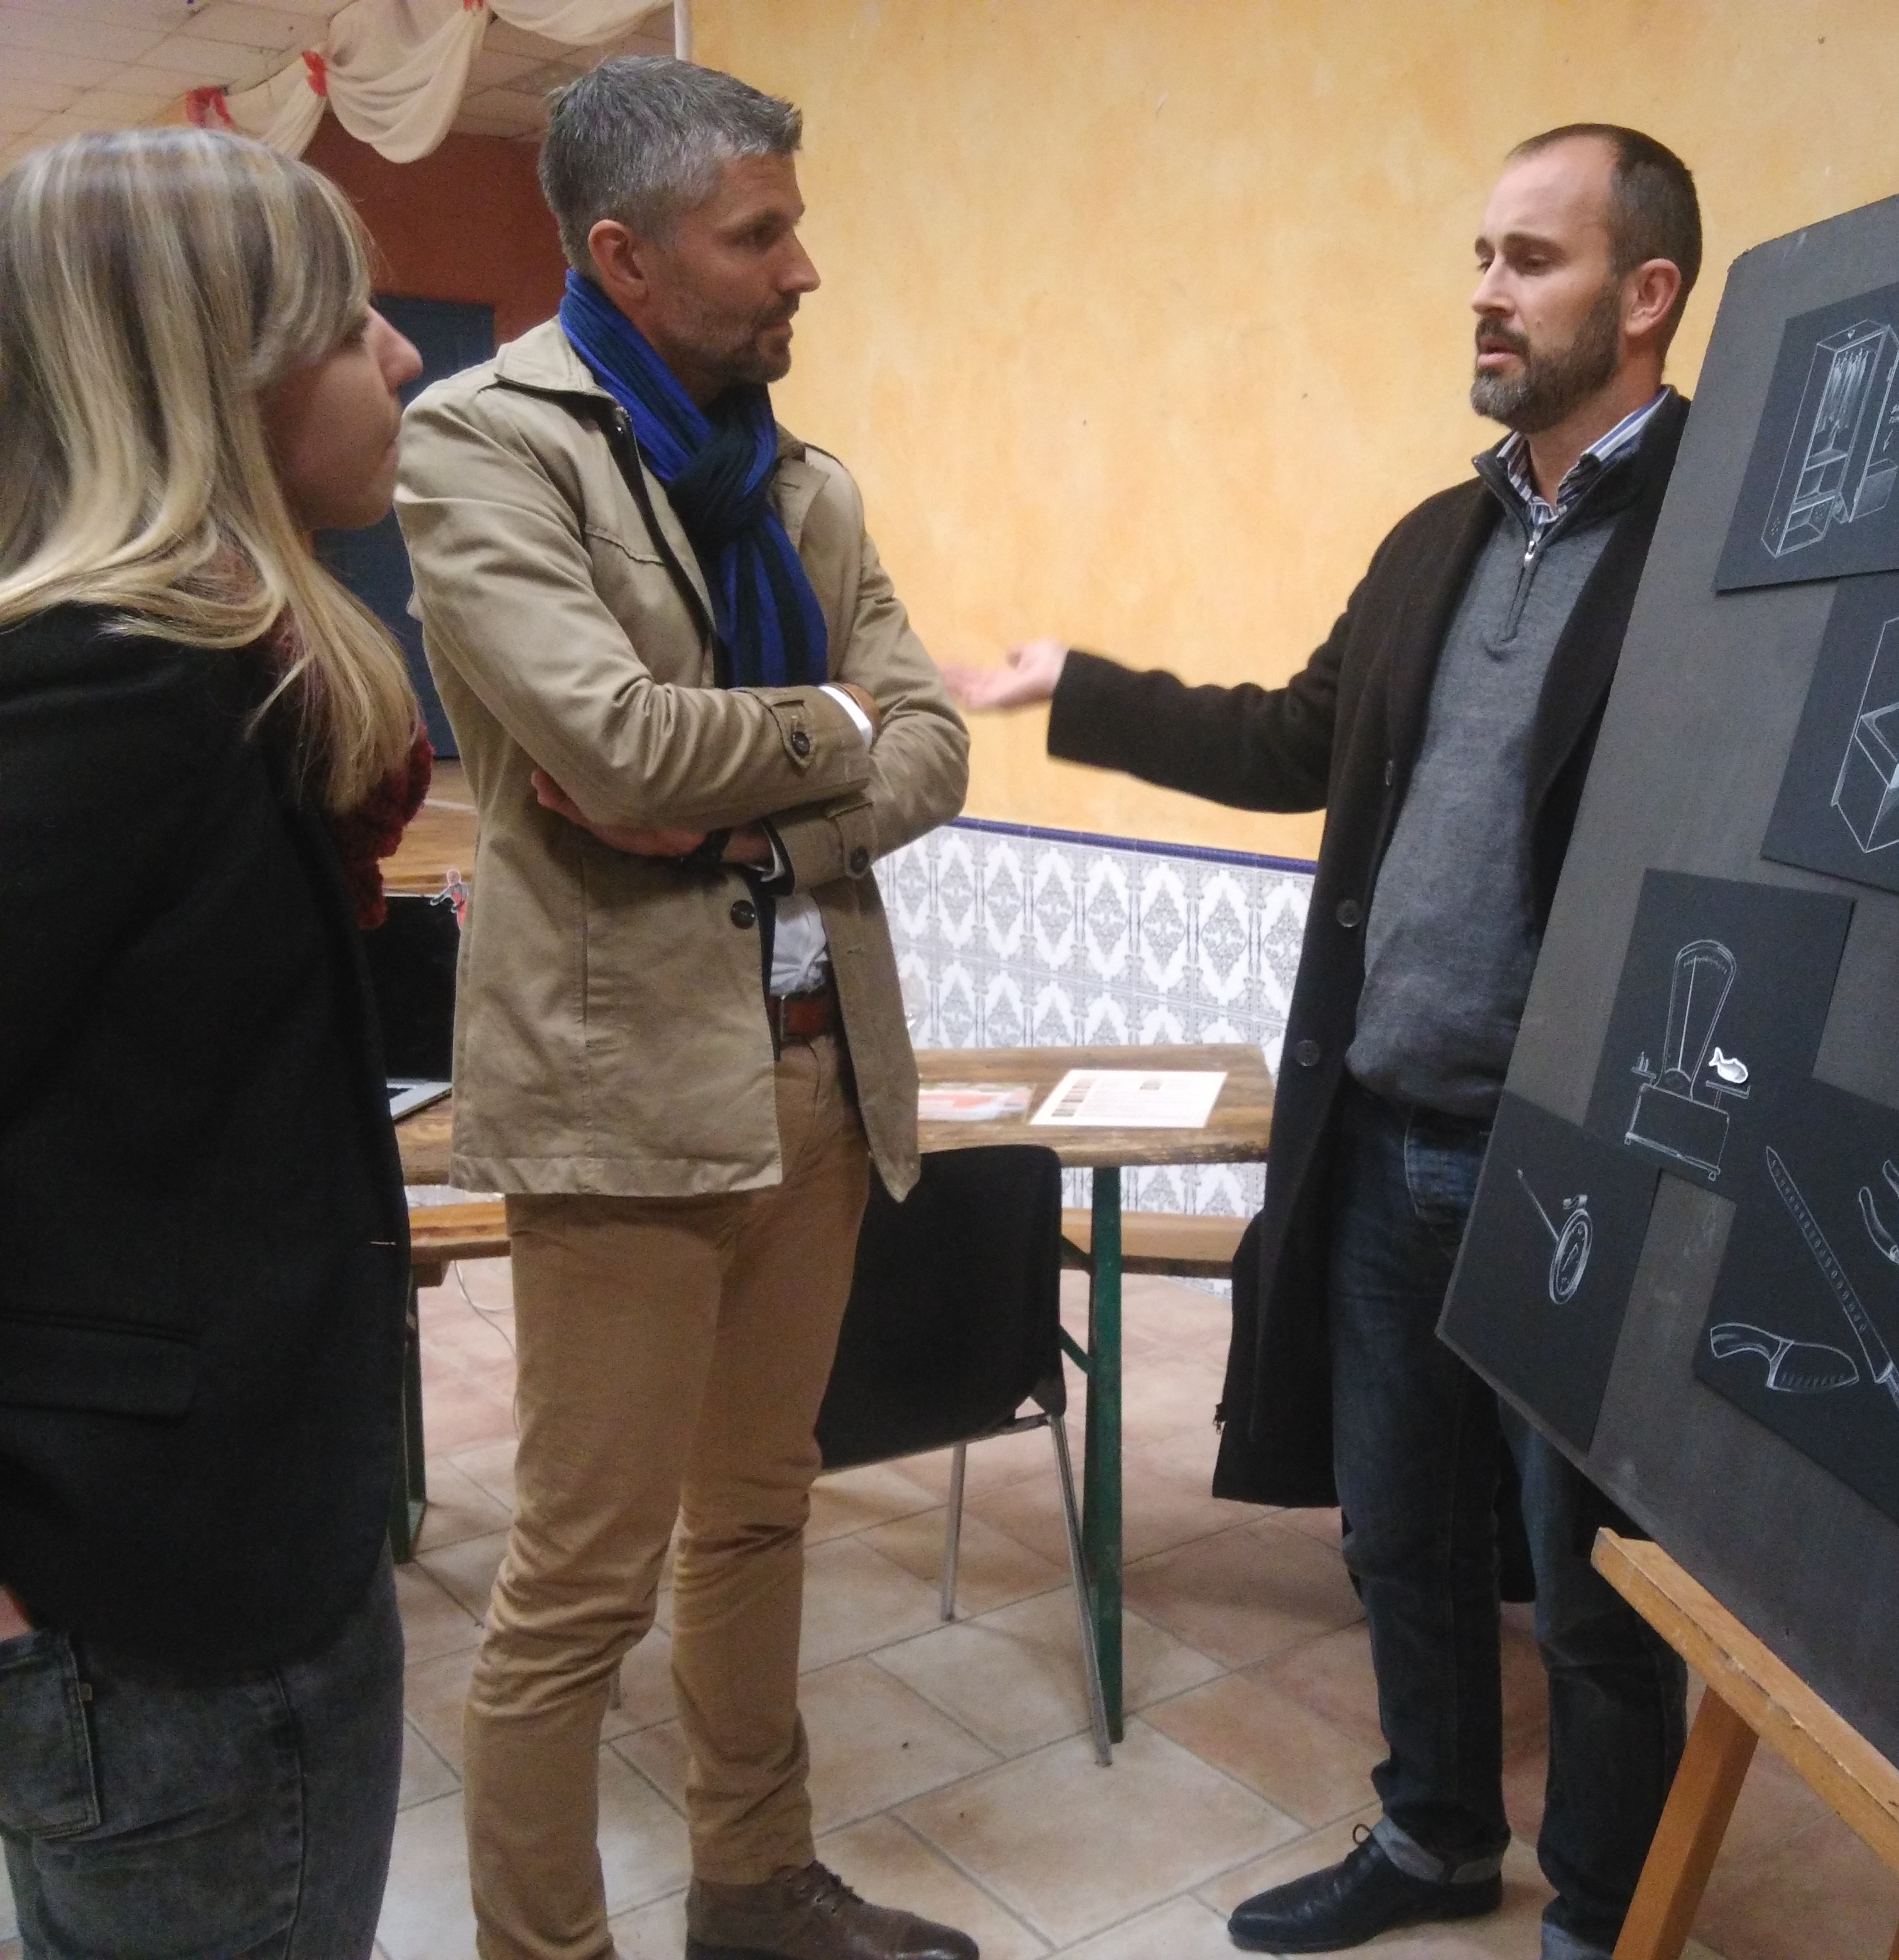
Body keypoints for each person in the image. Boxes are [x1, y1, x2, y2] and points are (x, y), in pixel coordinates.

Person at [945, 124, 1700, 1960]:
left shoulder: (1726, 543)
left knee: (1595, 1593)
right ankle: (1434, 1831)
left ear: (1646, 293)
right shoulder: (1437, 536)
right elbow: (1294, 738)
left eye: (1529, 259)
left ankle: (1608, 1914)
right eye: (1480, 256)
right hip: (1379, 1140)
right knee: (1399, 1531)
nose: (1485, 292)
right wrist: (1084, 686)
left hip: (1575, 1173)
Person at [393, 56, 972, 1960]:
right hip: (621, 1099)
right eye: (760, 232)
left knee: (758, 1515)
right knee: (580, 1582)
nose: (803, 268)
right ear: (626, 256)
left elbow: (935, 743)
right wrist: (839, 727)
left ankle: (754, 1884)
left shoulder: (804, 481)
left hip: (820, 1075)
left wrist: (758, 802)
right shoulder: (483, 445)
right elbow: (612, 739)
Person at [0, 128, 431, 1959]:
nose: (401, 353)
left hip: (225, 1554)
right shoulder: (105, 683)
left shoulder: (208, 676)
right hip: (161, 1598)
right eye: (343, 321)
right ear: (209, 375)